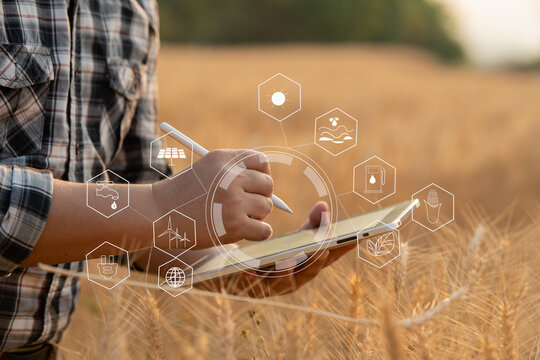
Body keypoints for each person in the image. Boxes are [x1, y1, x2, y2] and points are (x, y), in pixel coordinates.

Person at [0, 1, 354, 358]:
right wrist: (162, 205)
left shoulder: (134, 9)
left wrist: (242, 267)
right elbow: (150, 207)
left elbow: (131, 211)